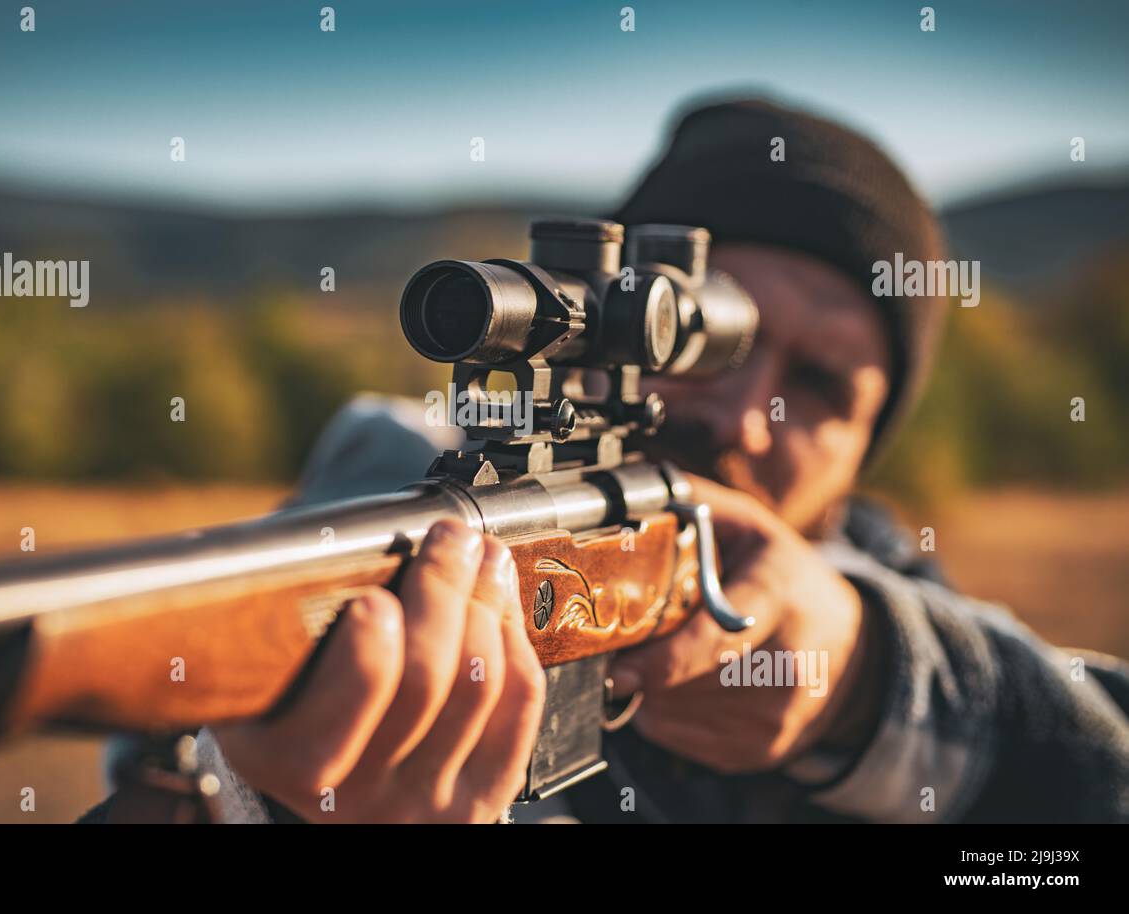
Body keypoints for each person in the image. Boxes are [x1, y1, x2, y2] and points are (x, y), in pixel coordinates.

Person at [91, 97, 1129, 824]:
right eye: (720, 337)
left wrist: (860, 682)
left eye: (817, 385)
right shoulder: (400, 480)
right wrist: (253, 801)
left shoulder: (894, 605)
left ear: (870, 443)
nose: (740, 414)